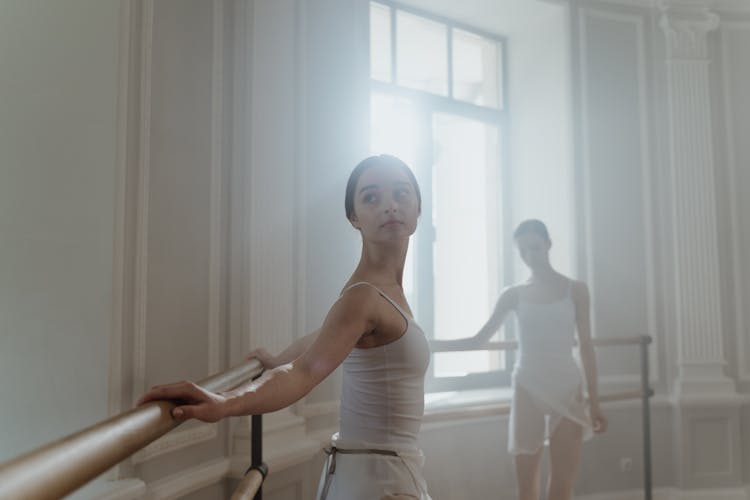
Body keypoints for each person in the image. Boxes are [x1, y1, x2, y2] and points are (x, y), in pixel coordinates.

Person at [138, 154, 432, 500]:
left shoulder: (383, 292)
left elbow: (322, 339)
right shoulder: (364, 296)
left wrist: (277, 358)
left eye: (401, 193)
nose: (390, 206)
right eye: (371, 197)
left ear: (418, 207)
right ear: (354, 217)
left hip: (385, 472)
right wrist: (225, 402)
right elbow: (303, 372)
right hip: (379, 483)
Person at [431, 219, 607, 500]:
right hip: (528, 385)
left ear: (548, 244)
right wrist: (428, 344)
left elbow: (587, 347)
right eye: (523, 251)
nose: (529, 257)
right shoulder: (513, 295)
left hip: (568, 386)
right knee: (526, 490)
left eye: (535, 248)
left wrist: (595, 403)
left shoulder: (577, 290)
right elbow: (479, 340)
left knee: (561, 487)